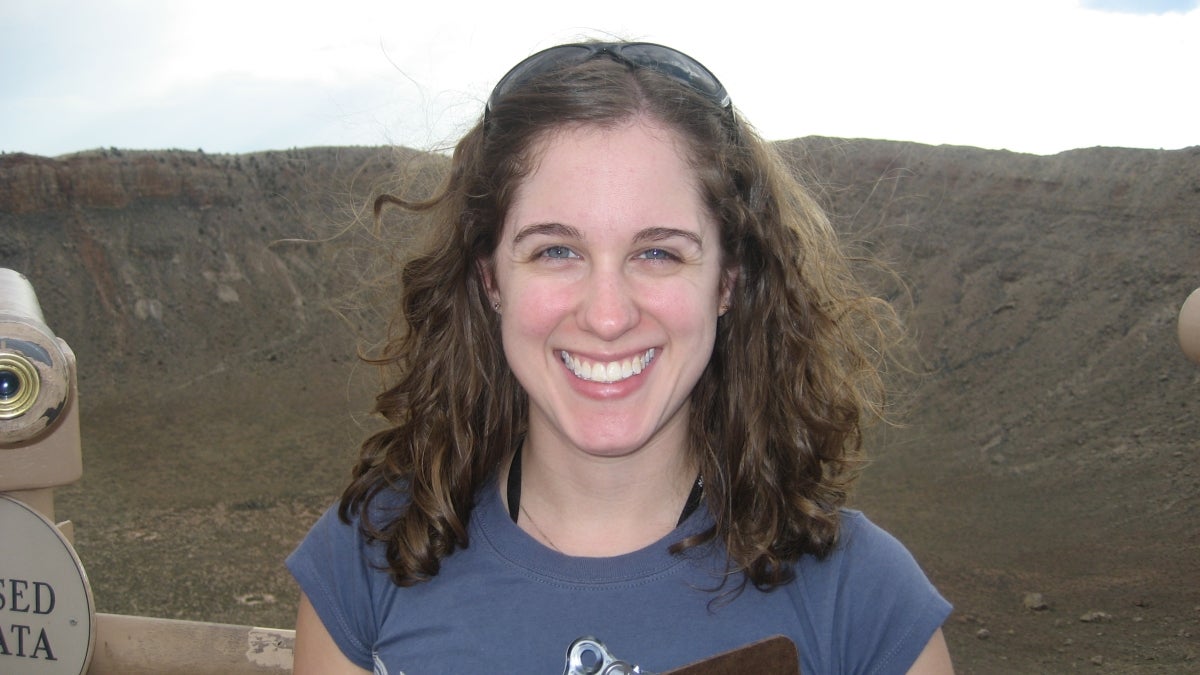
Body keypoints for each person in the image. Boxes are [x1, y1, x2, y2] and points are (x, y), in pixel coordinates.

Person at [288, 41, 954, 674]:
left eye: (658, 252)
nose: (607, 315)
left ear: (727, 281)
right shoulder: (370, 560)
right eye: (556, 250)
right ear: (491, 279)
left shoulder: (863, 602)